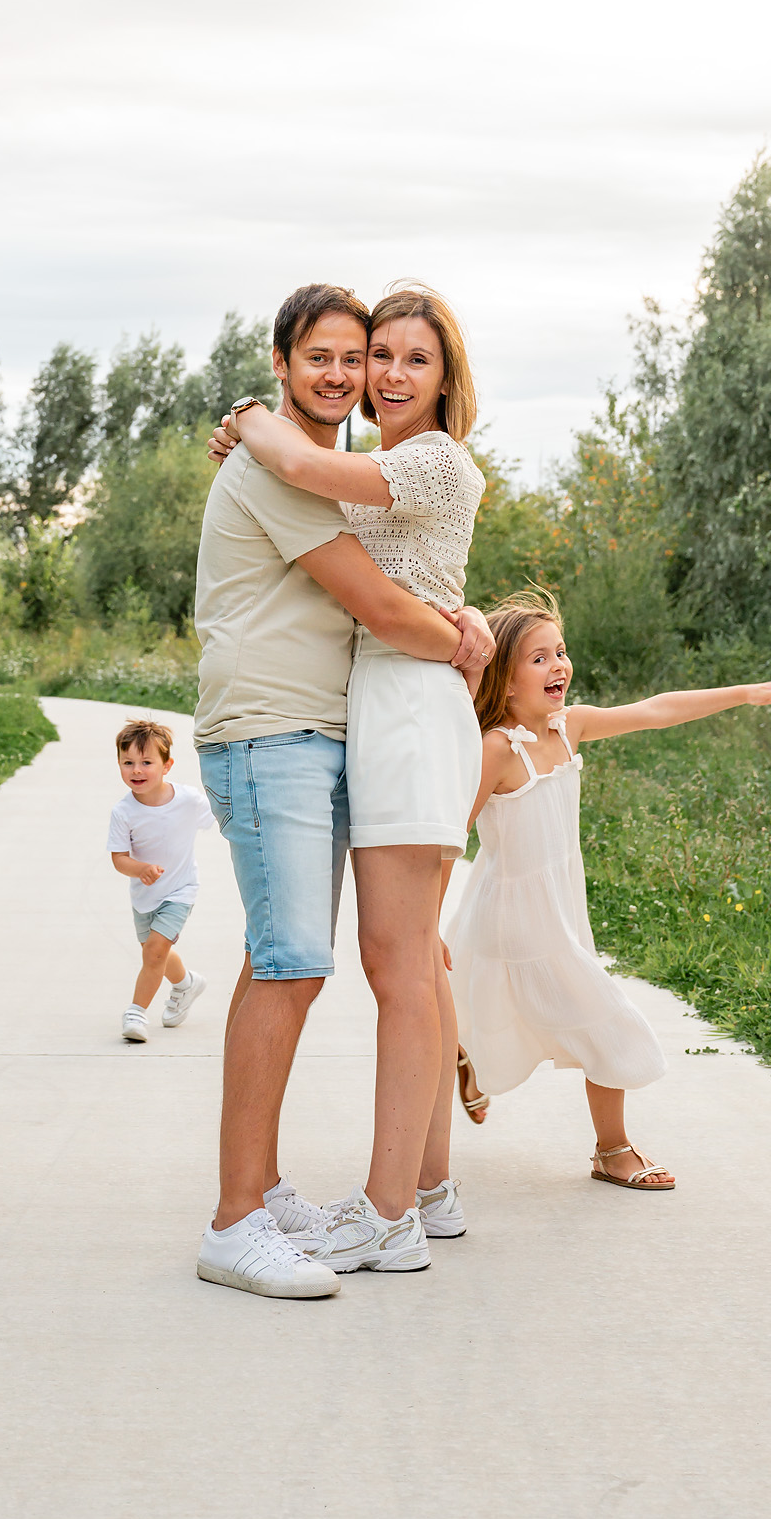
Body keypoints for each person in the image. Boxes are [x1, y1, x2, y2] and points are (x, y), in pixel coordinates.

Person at [193, 283, 494, 1300]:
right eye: (330, 355)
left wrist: (462, 626)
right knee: (300, 962)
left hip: (353, 725)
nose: (356, 373)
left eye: (367, 356)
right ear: (281, 363)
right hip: (282, 727)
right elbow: (382, 599)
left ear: (442, 375)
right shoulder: (293, 463)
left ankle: (370, 1200)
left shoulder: (359, 467)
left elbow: (404, 580)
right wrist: (462, 631)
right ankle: (245, 1214)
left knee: (374, 960)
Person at [448, 590, 771, 1188]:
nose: (558, 666)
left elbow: (657, 709)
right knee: (604, 1021)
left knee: (510, 1008)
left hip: (561, 906)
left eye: (560, 652)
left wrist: (746, 694)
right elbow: (449, 835)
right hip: (515, 914)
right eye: (538, 659)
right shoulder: (496, 749)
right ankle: (612, 1150)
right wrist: (425, 919)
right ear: (504, 681)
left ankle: (470, 1061)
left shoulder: (570, 729)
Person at [108, 719, 211, 1044]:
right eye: (128, 763)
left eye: (146, 762)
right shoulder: (123, 812)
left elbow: (221, 819)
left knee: (154, 952)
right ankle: (186, 984)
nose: (136, 770)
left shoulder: (189, 800)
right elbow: (119, 858)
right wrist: (139, 869)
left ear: (167, 765)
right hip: (145, 895)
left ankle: (136, 1012)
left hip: (181, 889)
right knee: (157, 955)